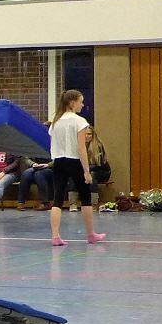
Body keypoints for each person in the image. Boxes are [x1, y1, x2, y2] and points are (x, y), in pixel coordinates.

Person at [47, 89, 106, 247]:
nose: (83, 104)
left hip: (58, 161)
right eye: (81, 101)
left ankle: (55, 236)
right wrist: (86, 171)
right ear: (72, 103)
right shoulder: (79, 121)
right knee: (86, 197)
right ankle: (91, 234)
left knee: (58, 198)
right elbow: (81, 148)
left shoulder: (55, 122)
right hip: (74, 161)